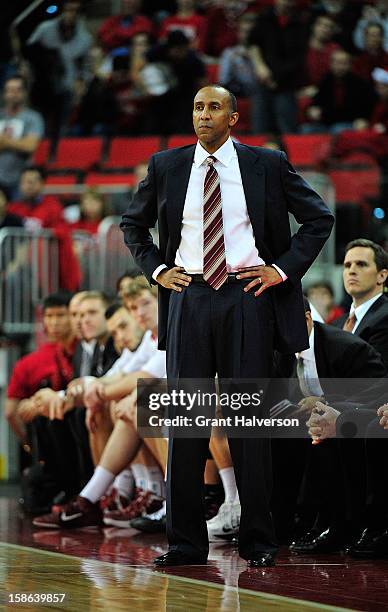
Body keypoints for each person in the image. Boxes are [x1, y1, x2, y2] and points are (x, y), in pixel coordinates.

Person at [120, 84, 334, 567]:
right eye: (197, 107)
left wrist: (280, 270)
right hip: (188, 298)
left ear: (233, 117)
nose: (203, 115)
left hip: (248, 297)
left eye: (214, 107)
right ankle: (185, 543)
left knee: (248, 425)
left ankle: (259, 540)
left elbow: (319, 218)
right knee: (188, 425)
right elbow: (132, 226)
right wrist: (157, 270)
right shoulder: (166, 166)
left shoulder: (268, 164)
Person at [0, 75, 44, 199]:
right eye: (9, 90)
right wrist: (19, 143)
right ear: (4, 93)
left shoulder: (33, 118)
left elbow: (30, 145)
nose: (13, 94)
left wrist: (3, 141)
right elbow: (24, 143)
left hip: (20, 180)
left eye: (17, 90)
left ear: (24, 92)